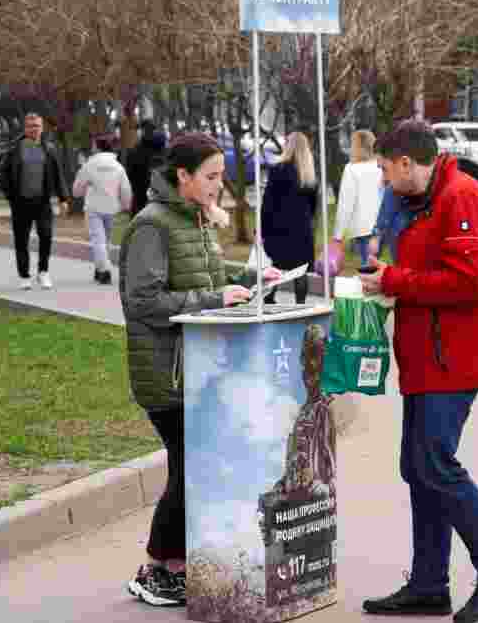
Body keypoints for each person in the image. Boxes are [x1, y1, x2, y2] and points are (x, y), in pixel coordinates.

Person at [359, 120, 478, 623]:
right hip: (427, 355)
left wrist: (396, 280)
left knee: (434, 464)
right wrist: (390, 283)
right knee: (417, 468)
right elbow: (430, 273)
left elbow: (469, 282)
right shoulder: (425, 199)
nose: (386, 182)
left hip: (454, 357)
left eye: (387, 171)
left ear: (407, 163)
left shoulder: (462, 197)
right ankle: (429, 584)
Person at [120, 132, 280, 608]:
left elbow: (209, 280)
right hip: (168, 373)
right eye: (209, 176)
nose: (217, 185)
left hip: (202, 367)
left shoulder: (195, 219)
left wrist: (252, 280)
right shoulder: (152, 225)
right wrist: (214, 299)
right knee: (191, 468)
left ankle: (175, 567)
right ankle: (158, 569)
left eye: (220, 176)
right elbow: (142, 302)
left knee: (194, 467)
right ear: (182, 176)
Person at [0, 112, 69, 290]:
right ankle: (24, 275)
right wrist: (11, 197)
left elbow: (58, 174)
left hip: (43, 202)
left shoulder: (49, 149)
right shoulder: (15, 149)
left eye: (37, 126)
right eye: (30, 126)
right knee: (21, 240)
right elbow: (4, 175)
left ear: (42, 128)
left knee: (46, 236)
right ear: (25, 128)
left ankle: (43, 271)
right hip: (20, 202)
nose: (34, 129)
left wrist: (63, 199)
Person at [260, 131, 318, 305]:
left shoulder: (278, 169)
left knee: (277, 265)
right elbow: (313, 205)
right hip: (302, 229)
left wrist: (263, 228)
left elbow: (268, 202)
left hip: (279, 228)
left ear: (288, 146)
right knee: (301, 271)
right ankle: (300, 304)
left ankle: (270, 298)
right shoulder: (309, 174)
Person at [72, 135, 133, 284]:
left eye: (93, 145)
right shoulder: (118, 166)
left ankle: (104, 270)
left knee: (98, 240)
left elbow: (77, 189)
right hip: (112, 208)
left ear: (98, 147)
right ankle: (99, 269)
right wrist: (126, 205)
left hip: (94, 208)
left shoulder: (90, 164)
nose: (92, 147)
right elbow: (125, 189)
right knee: (105, 241)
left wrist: (79, 191)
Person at [332, 130, 383, 263]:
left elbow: (345, 204)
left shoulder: (351, 169)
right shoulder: (381, 166)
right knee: (374, 265)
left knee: (368, 267)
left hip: (363, 227)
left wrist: (338, 235)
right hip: (382, 225)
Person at [126, 120, 168, 216]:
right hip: (159, 193)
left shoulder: (136, 150)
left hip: (141, 192)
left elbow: (130, 174)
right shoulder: (162, 147)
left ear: (143, 131)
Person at [367, 175, 409, 264]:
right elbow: (385, 212)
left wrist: (376, 235)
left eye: (384, 169)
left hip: (402, 238)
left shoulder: (394, 186)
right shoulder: (391, 187)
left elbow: (386, 213)